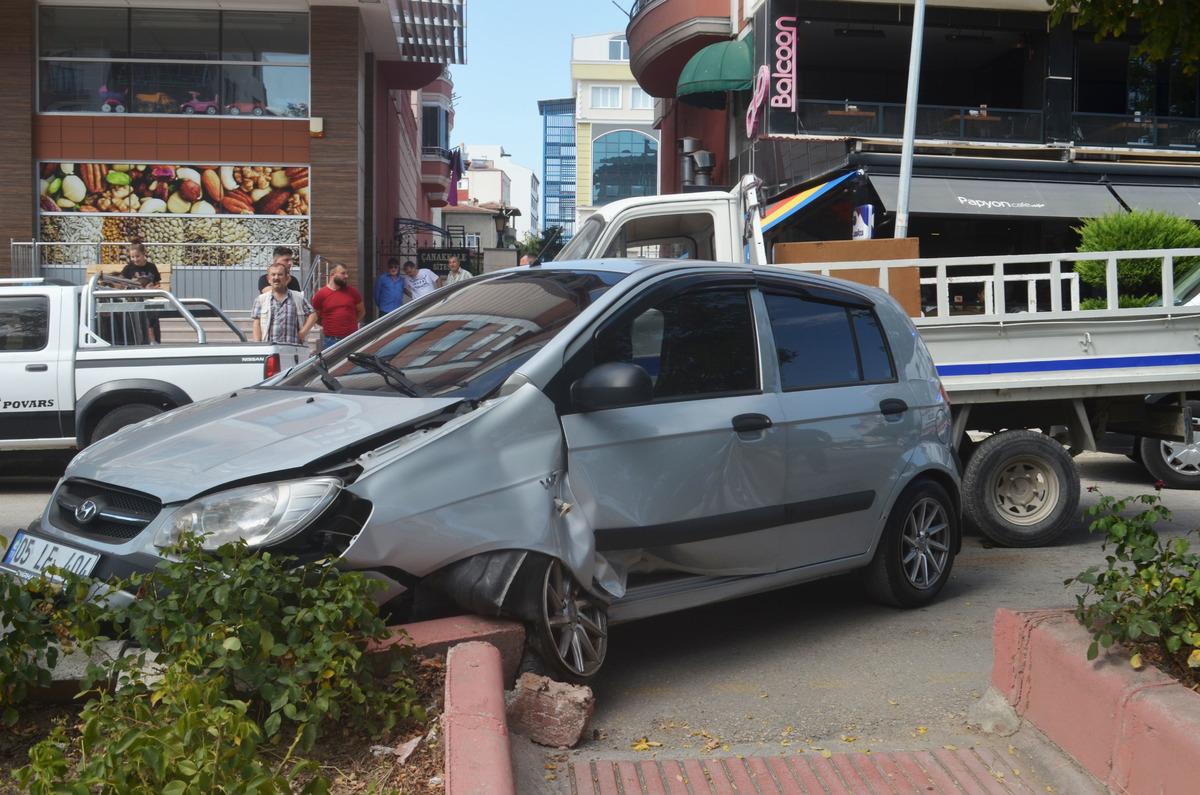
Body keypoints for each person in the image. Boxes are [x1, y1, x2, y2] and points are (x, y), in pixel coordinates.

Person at [252, 261, 316, 345]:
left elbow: (313, 315)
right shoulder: (261, 299)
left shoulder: (298, 297)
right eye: (273, 274)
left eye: (280, 274)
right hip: (270, 349)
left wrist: (303, 333)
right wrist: (258, 344)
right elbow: (256, 324)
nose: (276, 277)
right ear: (268, 279)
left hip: (294, 349)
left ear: (286, 278)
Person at [312, 263, 365, 349]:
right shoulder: (320, 295)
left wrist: (350, 322)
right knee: (333, 363)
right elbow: (316, 317)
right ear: (333, 274)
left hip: (351, 338)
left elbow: (361, 311)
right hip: (331, 341)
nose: (346, 276)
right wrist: (330, 325)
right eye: (343, 273)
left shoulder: (353, 292)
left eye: (347, 273)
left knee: (351, 363)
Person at [120, 242, 162, 343]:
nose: (135, 259)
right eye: (132, 257)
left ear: (144, 254)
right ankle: (141, 340)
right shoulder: (128, 268)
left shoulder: (151, 267)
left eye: (137, 256)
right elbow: (121, 284)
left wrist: (153, 289)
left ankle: (154, 340)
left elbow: (157, 283)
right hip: (133, 301)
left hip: (148, 299)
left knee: (152, 313)